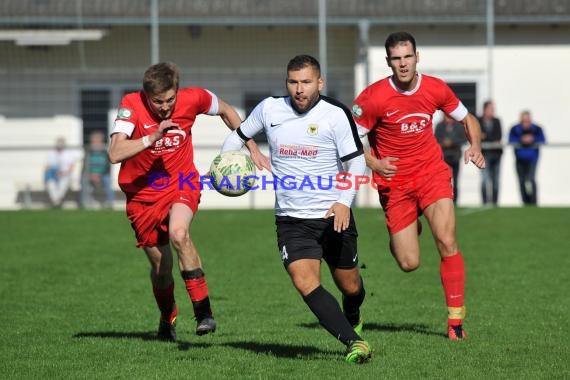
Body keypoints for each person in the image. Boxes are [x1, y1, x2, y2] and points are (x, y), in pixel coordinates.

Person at [221, 55, 371, 363]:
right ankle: (356, 343)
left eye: (305, 82)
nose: (299, 89)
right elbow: (237, 137)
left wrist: (344, 202)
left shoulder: (335, 114)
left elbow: (355, 160)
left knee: (351, 286)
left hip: (333, 216)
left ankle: (353, 310)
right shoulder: (269, 109)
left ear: (319, 82)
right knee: (305, 282)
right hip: (291, 220)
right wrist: (228, 165)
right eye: (293, 82)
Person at [108, 62, 263, 341]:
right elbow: (115, 152)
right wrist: (151, 137)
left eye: (170, 100)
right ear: (146, 96)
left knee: (180, 234)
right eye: (157, 102)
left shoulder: (194, 98)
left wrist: (249, 145)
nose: (165, 107)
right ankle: (167, 318)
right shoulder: (131, 104)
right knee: (161, 268)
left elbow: (227, 110)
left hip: (182, 182)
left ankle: (204, 313)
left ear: (177, 91)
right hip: (142, 196)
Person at [350, 31, 486, 340]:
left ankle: (455, 324)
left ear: (417, 56)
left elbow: (468, 119)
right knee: (409, 262)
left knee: (448, 241)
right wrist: (373, 163)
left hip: (431, 174)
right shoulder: (373, 97)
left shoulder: (435, 88)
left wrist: (475, 145)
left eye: (407, 56)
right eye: (396, 59)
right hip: (394, 183)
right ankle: (409, 227)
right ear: (388, 62)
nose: (403, 64)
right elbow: (349, 139)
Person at [508, 110, 546, 205]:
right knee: (521, 180)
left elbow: (543, 139)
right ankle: (525, 202)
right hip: (519, 159)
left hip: (532, 159)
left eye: (527, 120)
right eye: (524, 120)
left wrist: (533, 139)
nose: (526, 123)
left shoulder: (537, 128)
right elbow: (510, 140)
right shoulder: (515, 129)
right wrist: (521, 140)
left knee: (531, 179)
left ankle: (534, 201)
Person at [434, 114, 467, 204]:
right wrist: (444, 143)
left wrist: (451, 142)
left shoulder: (459, 126)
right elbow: (435, 138)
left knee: (455, 180)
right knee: (443, 180)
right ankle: (444, 200)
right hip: (443, 157)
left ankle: (455, 200)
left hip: (455, 156)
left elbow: (463, 139)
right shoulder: (440, 126)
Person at [477, 100, 503, 206]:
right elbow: (477, 136)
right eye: (491, 108)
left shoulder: (497, 121)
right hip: (483, 154)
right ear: (485, 109)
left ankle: (495, 203)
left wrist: (485, 136)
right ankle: (485, 203)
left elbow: (498, 136)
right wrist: (483, 137)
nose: (493, 111)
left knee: (496, 180)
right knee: (485, 179)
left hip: (496, 154)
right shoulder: (478, 121)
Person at [80, 130, 115, 209]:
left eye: (98, 140)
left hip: (103, 174)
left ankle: (110, 203)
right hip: (90, 174)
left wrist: (99, 174)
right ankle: (84, 203)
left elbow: (107, 166)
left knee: (107, 181)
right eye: (94, 140)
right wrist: (91, 175)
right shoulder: (88, 152)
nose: (96, 143)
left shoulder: (105, 152)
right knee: (83, 180)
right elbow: (85, 166)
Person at [44, 137, 78, 208]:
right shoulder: (52, 153)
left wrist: (63, 173)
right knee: (51, 184)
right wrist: (55, 172)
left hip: (65, 174)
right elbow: (48, 166)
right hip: (53, 174)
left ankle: (56, 202)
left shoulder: (68, 153)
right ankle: (57, 202)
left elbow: (71, 166)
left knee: (63, 184)